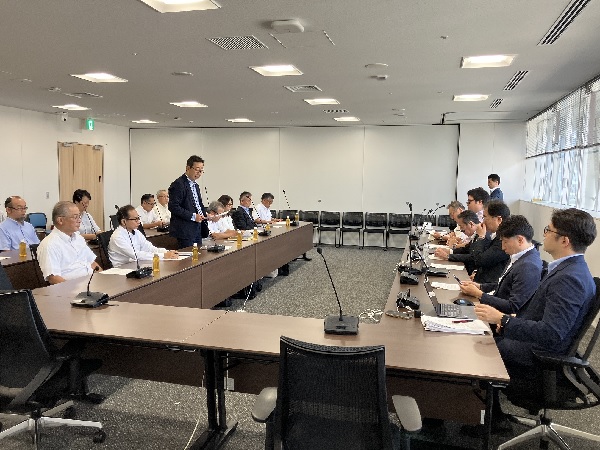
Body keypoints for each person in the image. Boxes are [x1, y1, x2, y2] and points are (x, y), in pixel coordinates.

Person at [475, 208, 597, 381]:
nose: (544, 235)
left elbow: (552, 333)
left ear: (564, 241)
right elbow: (542, 313)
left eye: (549, 230)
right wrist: (513, 319)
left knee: (477, 347)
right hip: (533, 344)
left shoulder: (569, 279)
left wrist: (504, 320)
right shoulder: (568, 269)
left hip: (537, 356)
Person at [459, 215, 542, 314]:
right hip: (492, 306)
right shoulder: (518, 255)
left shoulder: (528, 266)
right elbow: (502, 286)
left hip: (497, 315)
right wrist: (480, 286)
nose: (502, 247)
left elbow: (513, 306)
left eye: (505, 242)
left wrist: (479, 294)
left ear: (520, 240)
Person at [37, 201, 101, 284]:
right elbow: (54, 278)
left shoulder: (78, 238)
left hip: (91, 283)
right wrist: (78, 290)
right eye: (75, 217)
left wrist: (103, 279)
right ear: (60, 220)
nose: (79, 221)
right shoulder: (49, 244)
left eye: (79, 217)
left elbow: (92, 263)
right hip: (72, 288)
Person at [108, 205, 178, 267]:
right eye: (135, 219)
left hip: (136, 264)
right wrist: (163, 256)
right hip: (122, 269)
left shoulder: (136, 231)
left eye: (138, 218)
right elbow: (136, 255)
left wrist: (166, 252)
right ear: (124, 222)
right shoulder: (117, 237)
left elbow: (149, 248)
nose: (139, 222)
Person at [467, 200, 511, 284]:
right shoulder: (496, 235)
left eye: (485, 217)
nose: (483, 222)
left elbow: (479, 260)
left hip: (490, 285)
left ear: (499, 219)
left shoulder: (504, 240)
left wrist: (480, 237)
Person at [168, 155, 207, 249]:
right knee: (189, 256)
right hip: (185, 230)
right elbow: (173, 207)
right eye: (197, 169)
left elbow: (198, 204)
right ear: (188, 168)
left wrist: (205, 215)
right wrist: (193, 216)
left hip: (197, 227)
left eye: (201, 170)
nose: (199, 173)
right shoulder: (178, 184)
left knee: (199, 255)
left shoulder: (196, 186)